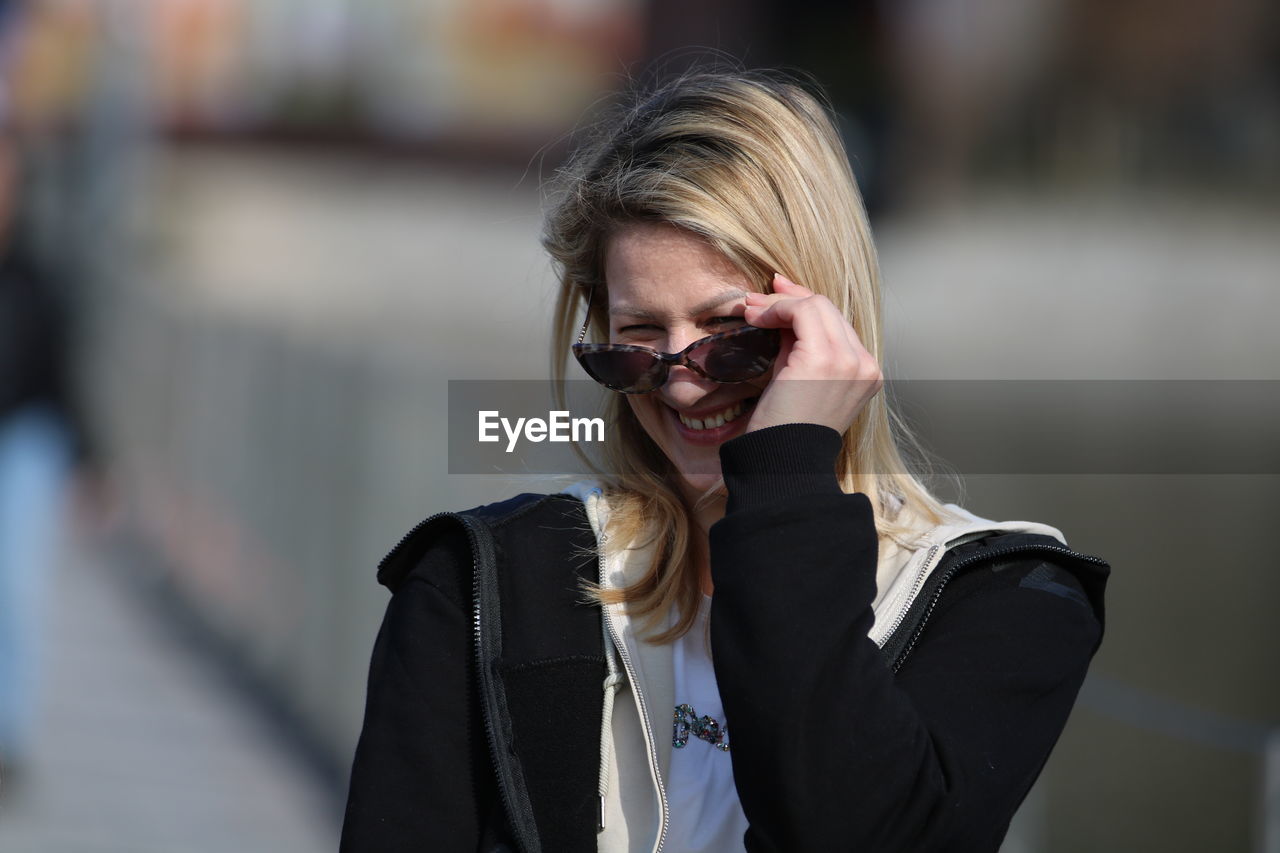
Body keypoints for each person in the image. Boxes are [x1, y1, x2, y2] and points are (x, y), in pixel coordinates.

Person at [340, 68, 1109, 853]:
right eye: (639, 338)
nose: (680, 379)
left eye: (727, 331)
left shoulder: (1008, 599)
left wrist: (785, 470)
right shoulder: (478, 581)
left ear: (828, 323)